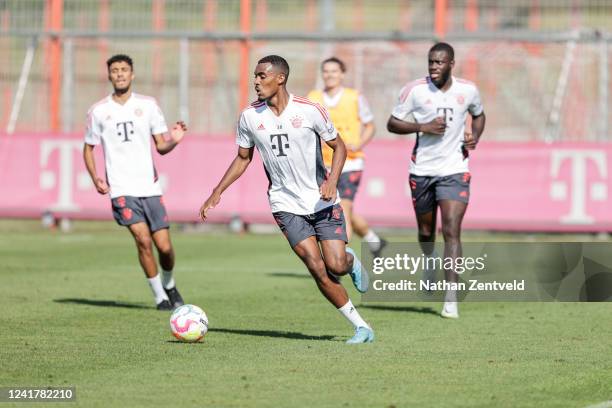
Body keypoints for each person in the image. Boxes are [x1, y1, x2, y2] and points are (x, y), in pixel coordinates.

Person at [199, 55, 374, 344]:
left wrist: (331, 181)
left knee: (336, 264)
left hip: (322, 201)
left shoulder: (310, 110)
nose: (256, 81)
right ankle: (361, 326)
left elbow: (339, 147)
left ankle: (350, 261)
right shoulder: (250, 117)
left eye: (262, 76)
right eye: (254, 76)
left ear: (280, 78)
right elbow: (243, 158)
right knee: (316, 267)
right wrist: (217, 191)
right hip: (285, 205)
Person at [386, 43, 486, 319]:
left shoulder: (468, 90)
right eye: (430, 62)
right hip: (422, 170)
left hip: (455, 168)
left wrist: (474, 137)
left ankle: (451, 297)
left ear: (451, 64)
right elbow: (392, 123)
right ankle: (429, 260)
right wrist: (422, 127)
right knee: (426, 232)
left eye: (439, 62)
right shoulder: (415, 90)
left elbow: (478, 115)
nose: (433, 67)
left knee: (451, 230)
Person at [83, 54, 187, 311]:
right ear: (109, 75)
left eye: (124, 70)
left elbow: (161, 146)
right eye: (115, 70)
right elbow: (88, 148)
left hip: (149, 187)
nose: (119, 74)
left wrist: (174, 139)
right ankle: (160, 298)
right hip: (120, 188)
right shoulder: (98, 111)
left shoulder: (148, 105)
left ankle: (170, 284)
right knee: (142, 240)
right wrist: (95, 176)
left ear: (132, 74)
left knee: (164, 246)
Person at [307, 57, 387, 256]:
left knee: (343, 208)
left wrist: (359, 143)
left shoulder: (354, 97)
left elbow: (370, 125)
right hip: (323, 163)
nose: (329, 75)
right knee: (336, 207)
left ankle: (341, 257)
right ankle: (373, 240)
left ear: (342, 74)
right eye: (326, 71)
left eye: (334, 71)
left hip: (350, 162)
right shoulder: (313, 97)